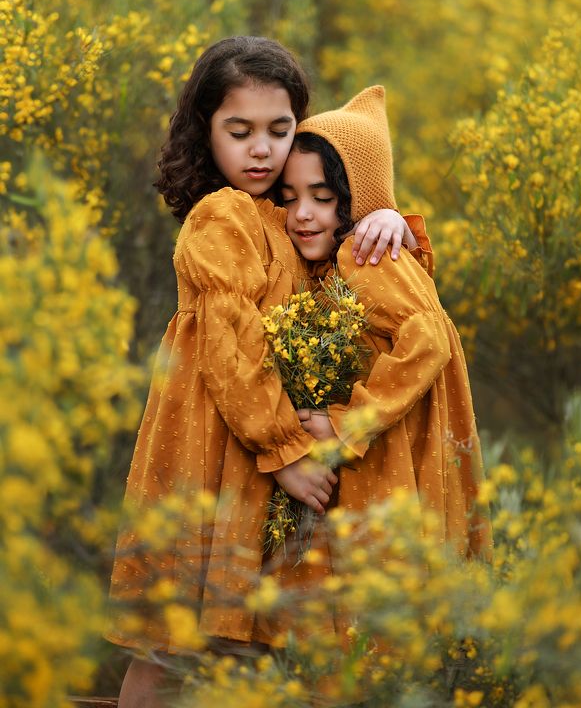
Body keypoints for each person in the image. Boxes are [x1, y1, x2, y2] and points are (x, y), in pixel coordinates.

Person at [106, 38, 426, 707]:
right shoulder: (221, 216)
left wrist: (382, 214)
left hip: (258, 449)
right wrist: (286, 453)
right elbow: (230, 346)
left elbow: (358, 278)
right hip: (211, 441)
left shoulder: (287, 215)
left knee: (240, 640)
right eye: (239, 131)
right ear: (205, 132)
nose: (261, 150)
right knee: (171, 639)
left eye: (279, 131)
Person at [279, 85, 493, 576]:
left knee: (382, 593)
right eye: (289, 199)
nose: (302, 213)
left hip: (388, 463)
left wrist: (346, 423)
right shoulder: (342, 259)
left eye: (322, 197)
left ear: (358, 202)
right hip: (384, 463)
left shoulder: (364, 255)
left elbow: (428, 338)